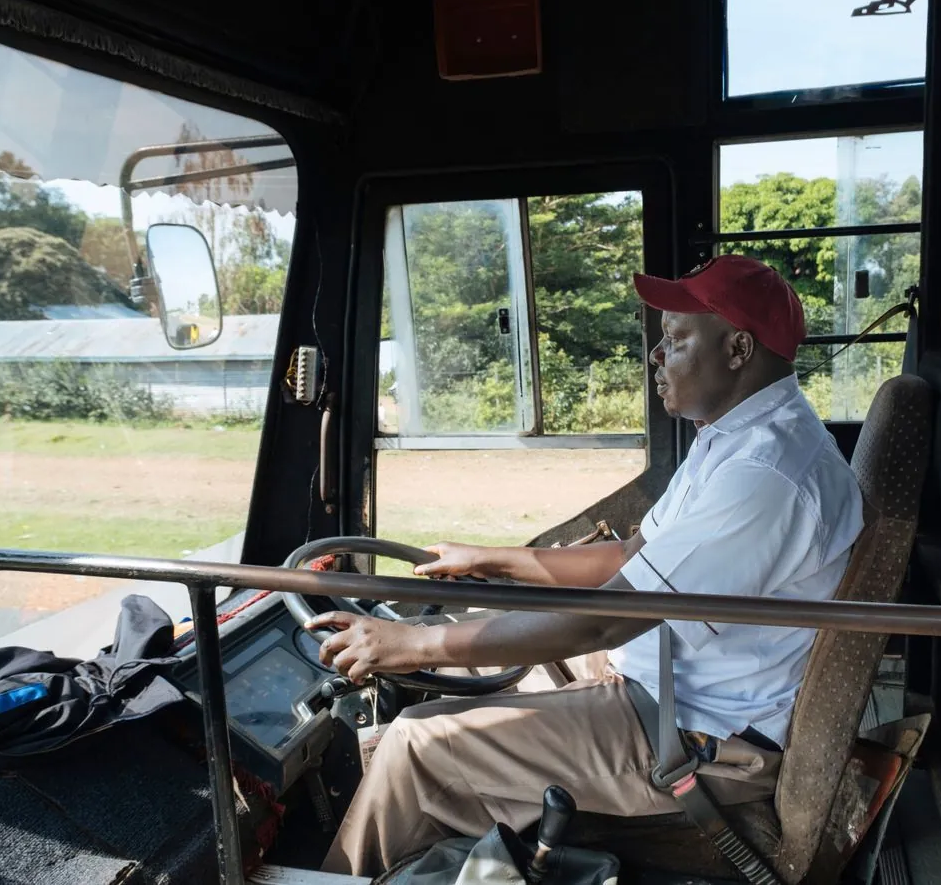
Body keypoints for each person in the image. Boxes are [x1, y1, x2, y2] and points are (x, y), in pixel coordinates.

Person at [315, 254, 865, 878]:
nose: (656, 357)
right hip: (672, 681)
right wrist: (495, 561)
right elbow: (635, 558)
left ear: (738, 348)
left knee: (414, 746)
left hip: (694, 737)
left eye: (675, 341)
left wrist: (416, 642)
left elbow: (608, 620)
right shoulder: (734, 437)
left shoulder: (767, 475)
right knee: (470, 656)